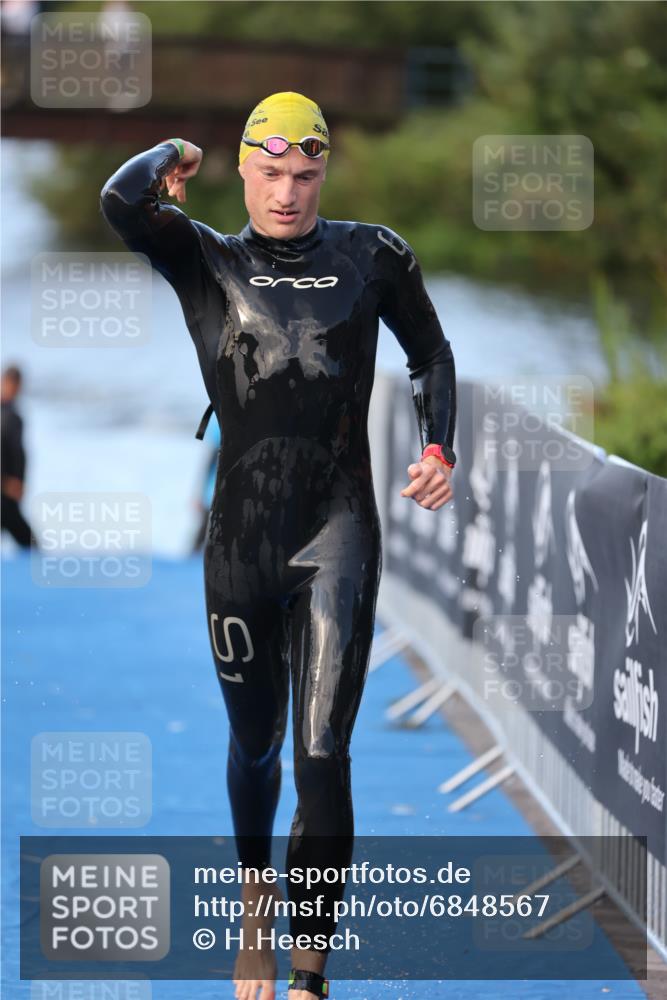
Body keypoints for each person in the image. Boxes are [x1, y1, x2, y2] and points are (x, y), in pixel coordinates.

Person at [100, 91, 457, 1000]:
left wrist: (438, 444)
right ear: (246, 170)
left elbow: (430, 353)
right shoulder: (203, 258)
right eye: (270, 173)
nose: (288, 193)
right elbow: (118, 199)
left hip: (339, 531)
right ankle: (255, 907)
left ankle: (309, 976)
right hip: (239, 546)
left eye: (304, 174)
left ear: (323, 171)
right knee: (253, 747)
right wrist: (177, 147)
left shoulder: (372, 254)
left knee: (322, 755)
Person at [1, 365, 35, 549]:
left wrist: (20, 481)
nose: (13, 389)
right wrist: (6, 482)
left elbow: (18, 453)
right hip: (4, 492)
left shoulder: (14, 415)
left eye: (17, 384)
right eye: (9, 383)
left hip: (10, 496)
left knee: (31, 546)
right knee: (31, 545)